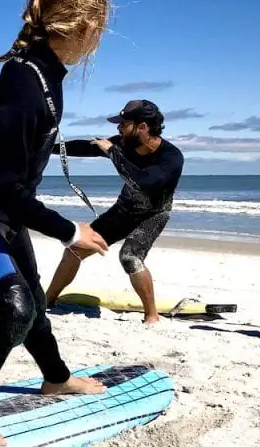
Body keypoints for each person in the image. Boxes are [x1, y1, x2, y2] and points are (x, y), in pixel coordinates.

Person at [0, 0, 113, 447]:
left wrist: (86, 148)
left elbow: (24, 158)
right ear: (84, 26)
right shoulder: (25, 82)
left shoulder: (44, 74)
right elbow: (4, 187)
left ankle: (55, 377)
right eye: (100, 24)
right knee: (15, 309)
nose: (100, 35)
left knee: (35, 302)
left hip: (7, 216)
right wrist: (69, 231)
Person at [45, 99, 184, 324]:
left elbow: (143, 182)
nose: (118, 128)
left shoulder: (171, 157)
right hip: (123, 211)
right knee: (75, 248)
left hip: (153, 215)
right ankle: (47, 300)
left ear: (143, 127)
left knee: (130, 257)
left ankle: (152, 315)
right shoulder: (122, 144)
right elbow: (85, 147)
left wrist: (114, 154)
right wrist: (47, 147)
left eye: (124, 123)